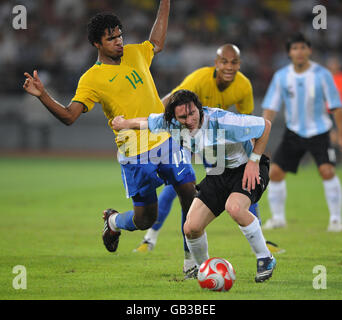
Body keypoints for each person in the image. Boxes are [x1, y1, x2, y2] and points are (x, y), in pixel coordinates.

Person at [22, 1, 199, 266]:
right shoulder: (92, 79)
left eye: (119, 35)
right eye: (111, 38)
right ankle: (114, 221)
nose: (118, 42)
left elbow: (156, 42)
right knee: (145, 220)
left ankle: (191, 262)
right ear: (97, 44)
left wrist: (165, 3)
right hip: (134, 151)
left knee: (189, 193)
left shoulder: (135, 53)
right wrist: (43, 95)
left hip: (164, 138)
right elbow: (70, 116)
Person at [134, 44, 282, 258]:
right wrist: (162, 125)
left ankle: (258, 236)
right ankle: (151, 237)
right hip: (185, 133)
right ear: (216, 63)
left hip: (215, 140)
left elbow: (249, 124)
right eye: (224, 62)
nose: (229, 67)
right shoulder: (199, 79)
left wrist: (252, 160)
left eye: (234, 63)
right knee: (178, 184)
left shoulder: (243, 86)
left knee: (243, 185)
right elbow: (170, 101)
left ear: (239, 65)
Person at [112, 89, 276, 282]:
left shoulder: (223, 121)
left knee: (235, 208)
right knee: (191, 227)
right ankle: (205, 270)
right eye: (183, 117)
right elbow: (146, 122)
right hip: (218, 172)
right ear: (174, 117)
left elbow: (265, 125)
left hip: (247, 169)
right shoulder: (171, 123)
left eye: (192, 113)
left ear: (199, 109)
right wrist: (123, 123)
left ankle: (265, 258)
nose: (189, 120)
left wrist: (254, 162)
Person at [262, 33, 342, 232]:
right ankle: (278, 218)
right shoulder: (281, 76)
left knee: (327, 171)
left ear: (309, 50)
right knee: (276, 173)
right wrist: (261, 132)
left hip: (320, 131)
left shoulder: (322, 75)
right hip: (293, 132)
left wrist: (340, 134)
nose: (299, 52)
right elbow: (271, 107)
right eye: (295, 48)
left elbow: (336, 107)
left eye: (302, 48)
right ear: (289, 53)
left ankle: (336, 219)